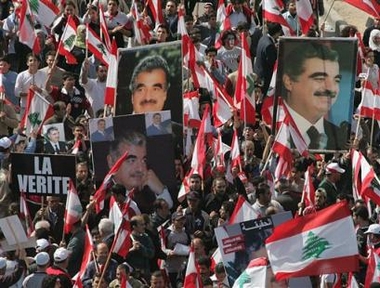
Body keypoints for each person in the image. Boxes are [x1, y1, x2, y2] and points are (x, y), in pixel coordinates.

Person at [281, 41, 349, 150]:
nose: (331, 88)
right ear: (289, 82)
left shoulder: (340, 137)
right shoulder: (277, 132)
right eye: (320, 78)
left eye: (336, 80)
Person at [106, 130, 173, 213]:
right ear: (111, 162)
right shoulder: (104, 197)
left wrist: (161, 191)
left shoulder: (147, 192)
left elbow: (167, 213)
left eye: (143, 160)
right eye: (132, 160)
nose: (140, 169)